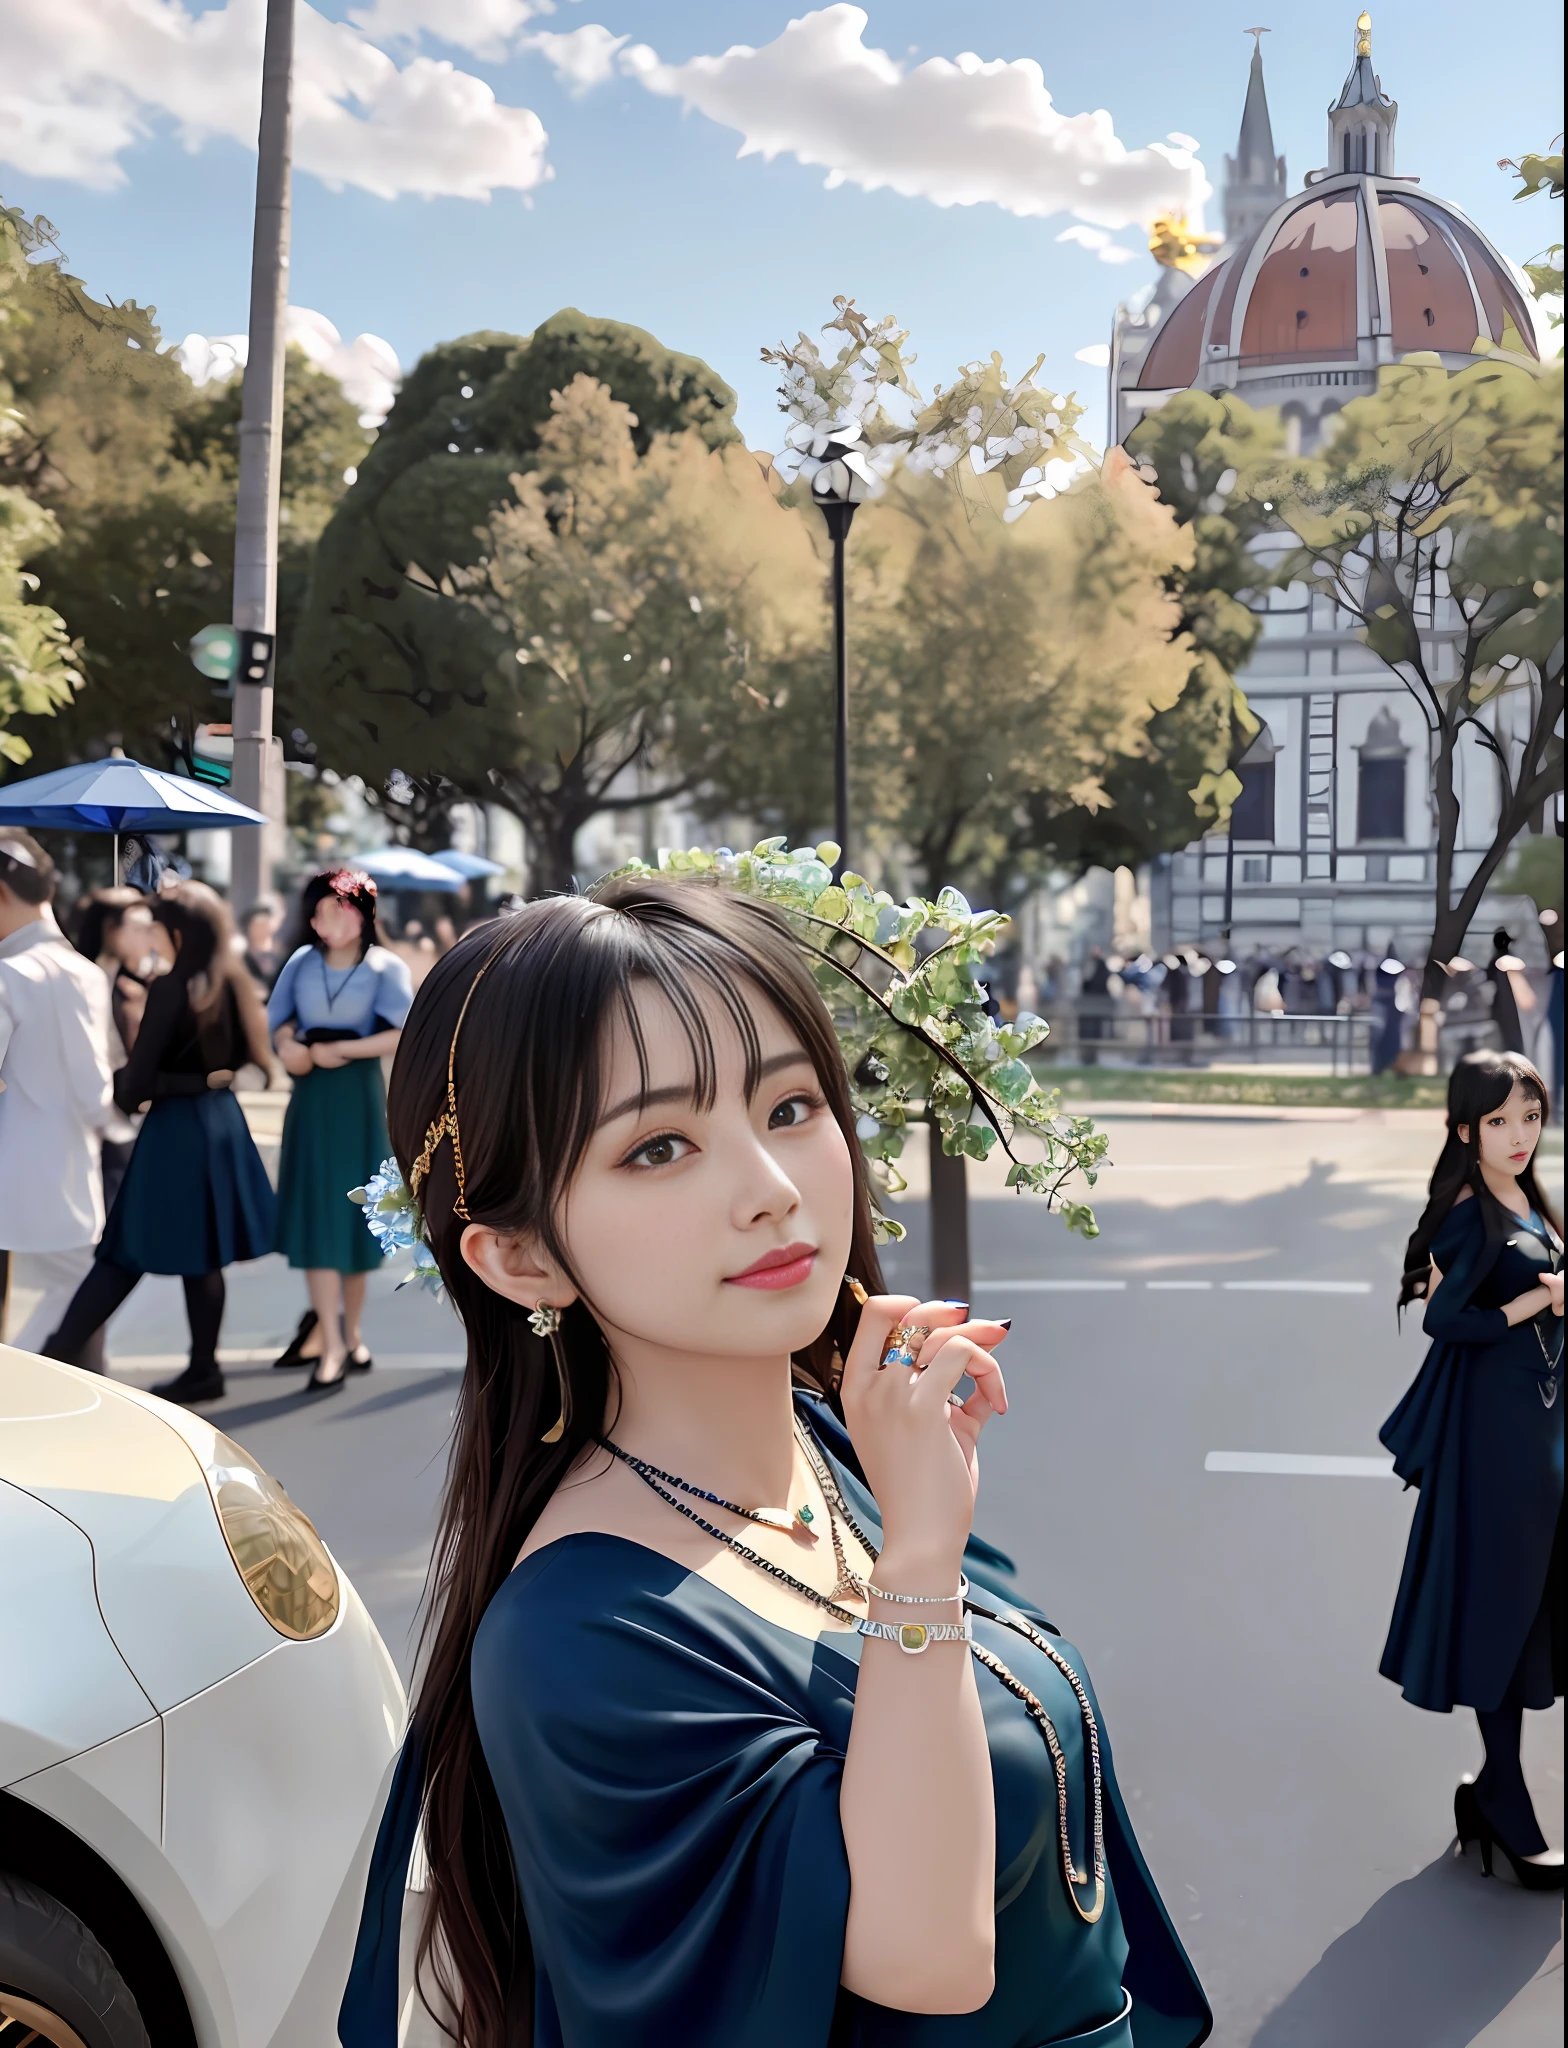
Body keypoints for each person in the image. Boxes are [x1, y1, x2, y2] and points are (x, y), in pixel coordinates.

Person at [338, 878, 1209, 2048]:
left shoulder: (836, 1448)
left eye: (790, 1105)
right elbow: (927, 1959)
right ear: (520, 1256)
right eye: (658, 1144)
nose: (773, 1187)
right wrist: (917, 1558)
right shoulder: (582, 1637)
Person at [1380, 1049, 1564, 1889]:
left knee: (1533, 1606)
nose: (1519, 1134)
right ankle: (1504, 1795)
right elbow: (1445, 1321)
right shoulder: (1468, 1210)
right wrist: (1530, 1303)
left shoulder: (1527, 1197)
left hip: (1543, 1424)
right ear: (1465, 1128)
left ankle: (1493, 1790)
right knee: (1504, 1604)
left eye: (1530, 1115)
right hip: (1498, 1435)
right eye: (1499, 1121)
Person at [42, 881, 276, 1404]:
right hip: (220, 1121)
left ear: (176, 930)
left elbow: (139, 1080)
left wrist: (116, 1085)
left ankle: (56, 1355)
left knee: (125, 1248)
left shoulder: (171, 986)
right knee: (205, 1252)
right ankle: (203, 1368)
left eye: (154, 923)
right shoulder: (232, 980)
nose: (147, 932)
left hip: (175, 1128)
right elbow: (246, 1064)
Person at [267, 870, 412, 1391]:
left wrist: (342, 1051)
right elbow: (276, 1022)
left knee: (354, 1215)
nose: (329, 918)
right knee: (318, 1216)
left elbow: (403, 1032)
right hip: (311, 1099)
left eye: (341, 907)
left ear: (365, 912)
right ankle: (329, 1339)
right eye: (320, 908)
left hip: (358, 1095)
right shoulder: (300, 964)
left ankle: (351, 1332)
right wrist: (289, 1049)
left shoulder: (384, 967)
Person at [0, 831, 117, 1368]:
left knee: (72, 1301)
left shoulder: (13, 973)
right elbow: (94, 1086)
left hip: (29, 1160)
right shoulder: (78, 971)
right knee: (77, 1298)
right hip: (63, 1159)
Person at [239, 896, 287, 991]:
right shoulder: (240, 955)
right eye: (257, 924)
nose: (261, 928)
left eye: (264, 923)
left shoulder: (280, 954)